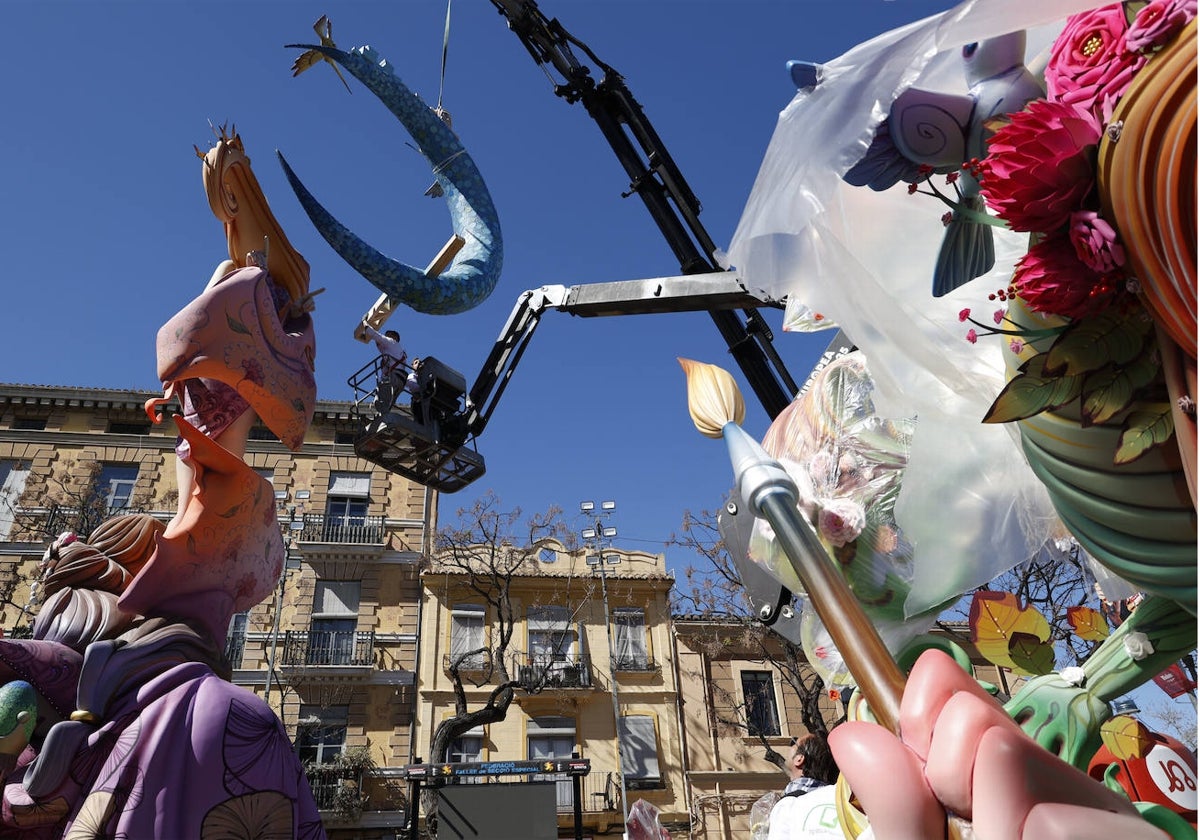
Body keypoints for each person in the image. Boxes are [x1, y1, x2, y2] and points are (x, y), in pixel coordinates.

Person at [767, 733, 843, 840]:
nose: (791, 744)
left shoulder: (788, 805)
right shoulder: (841, 800)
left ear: (799, 759)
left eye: (794, 743)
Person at [362, 324, 407, 411]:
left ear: (394, 337)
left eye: (387, 335)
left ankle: (376, 414)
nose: (385, 337)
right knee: (386, 406)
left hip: (393, 378)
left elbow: (378, 337)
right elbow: (380, 344)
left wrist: (365, 325)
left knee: (379, 403)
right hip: (400, 380)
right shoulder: (395, 350)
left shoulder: (392, 342)